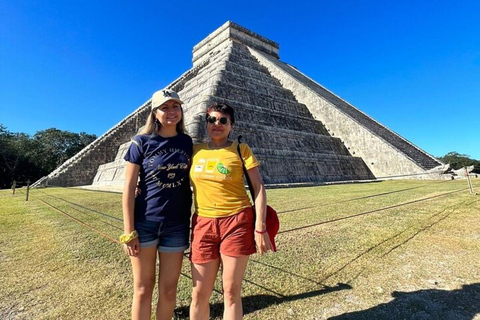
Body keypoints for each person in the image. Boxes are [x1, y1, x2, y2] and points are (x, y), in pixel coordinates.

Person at [189, 103, 274, 320]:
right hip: (203, 224)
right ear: (206, 124)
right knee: (199, 293)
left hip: (236, 222)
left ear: (231, 125)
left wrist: (260, 227)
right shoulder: (195, 151)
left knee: (231, 292)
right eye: (211, 120)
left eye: (223, 120)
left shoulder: (241, 149)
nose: (217, 124)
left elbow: (259, 187)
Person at [121, 89, 193, 320]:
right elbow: (129, 188)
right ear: (154, 113)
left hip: (177, 224)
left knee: (169, 290)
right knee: (143, 289)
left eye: (175, 106)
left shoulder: (187, 142)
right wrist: (128, 231)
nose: (171, 112)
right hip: (145, 223)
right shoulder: (140, 142)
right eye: (165, 107)